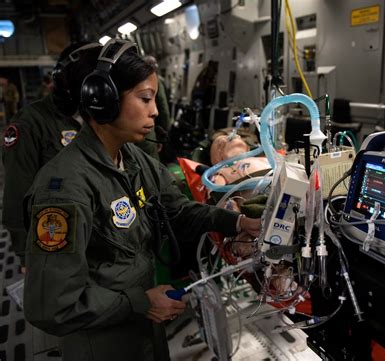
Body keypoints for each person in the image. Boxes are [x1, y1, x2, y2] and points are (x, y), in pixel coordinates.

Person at [23, 39, 260, 361]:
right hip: (103, 342)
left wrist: (239, 222)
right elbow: (52, 305)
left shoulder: (133, 158)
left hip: (144, 327)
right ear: (104, 102)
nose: (156, 110)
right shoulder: (65, 189)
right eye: (145, 98)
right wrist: (141, 302)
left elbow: (177, 209)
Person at [2, 42, 102, 267]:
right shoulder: (30, 123)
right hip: (56, 240)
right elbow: (16, 196)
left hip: (98, 238)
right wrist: (27, 257)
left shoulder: (96, 115)